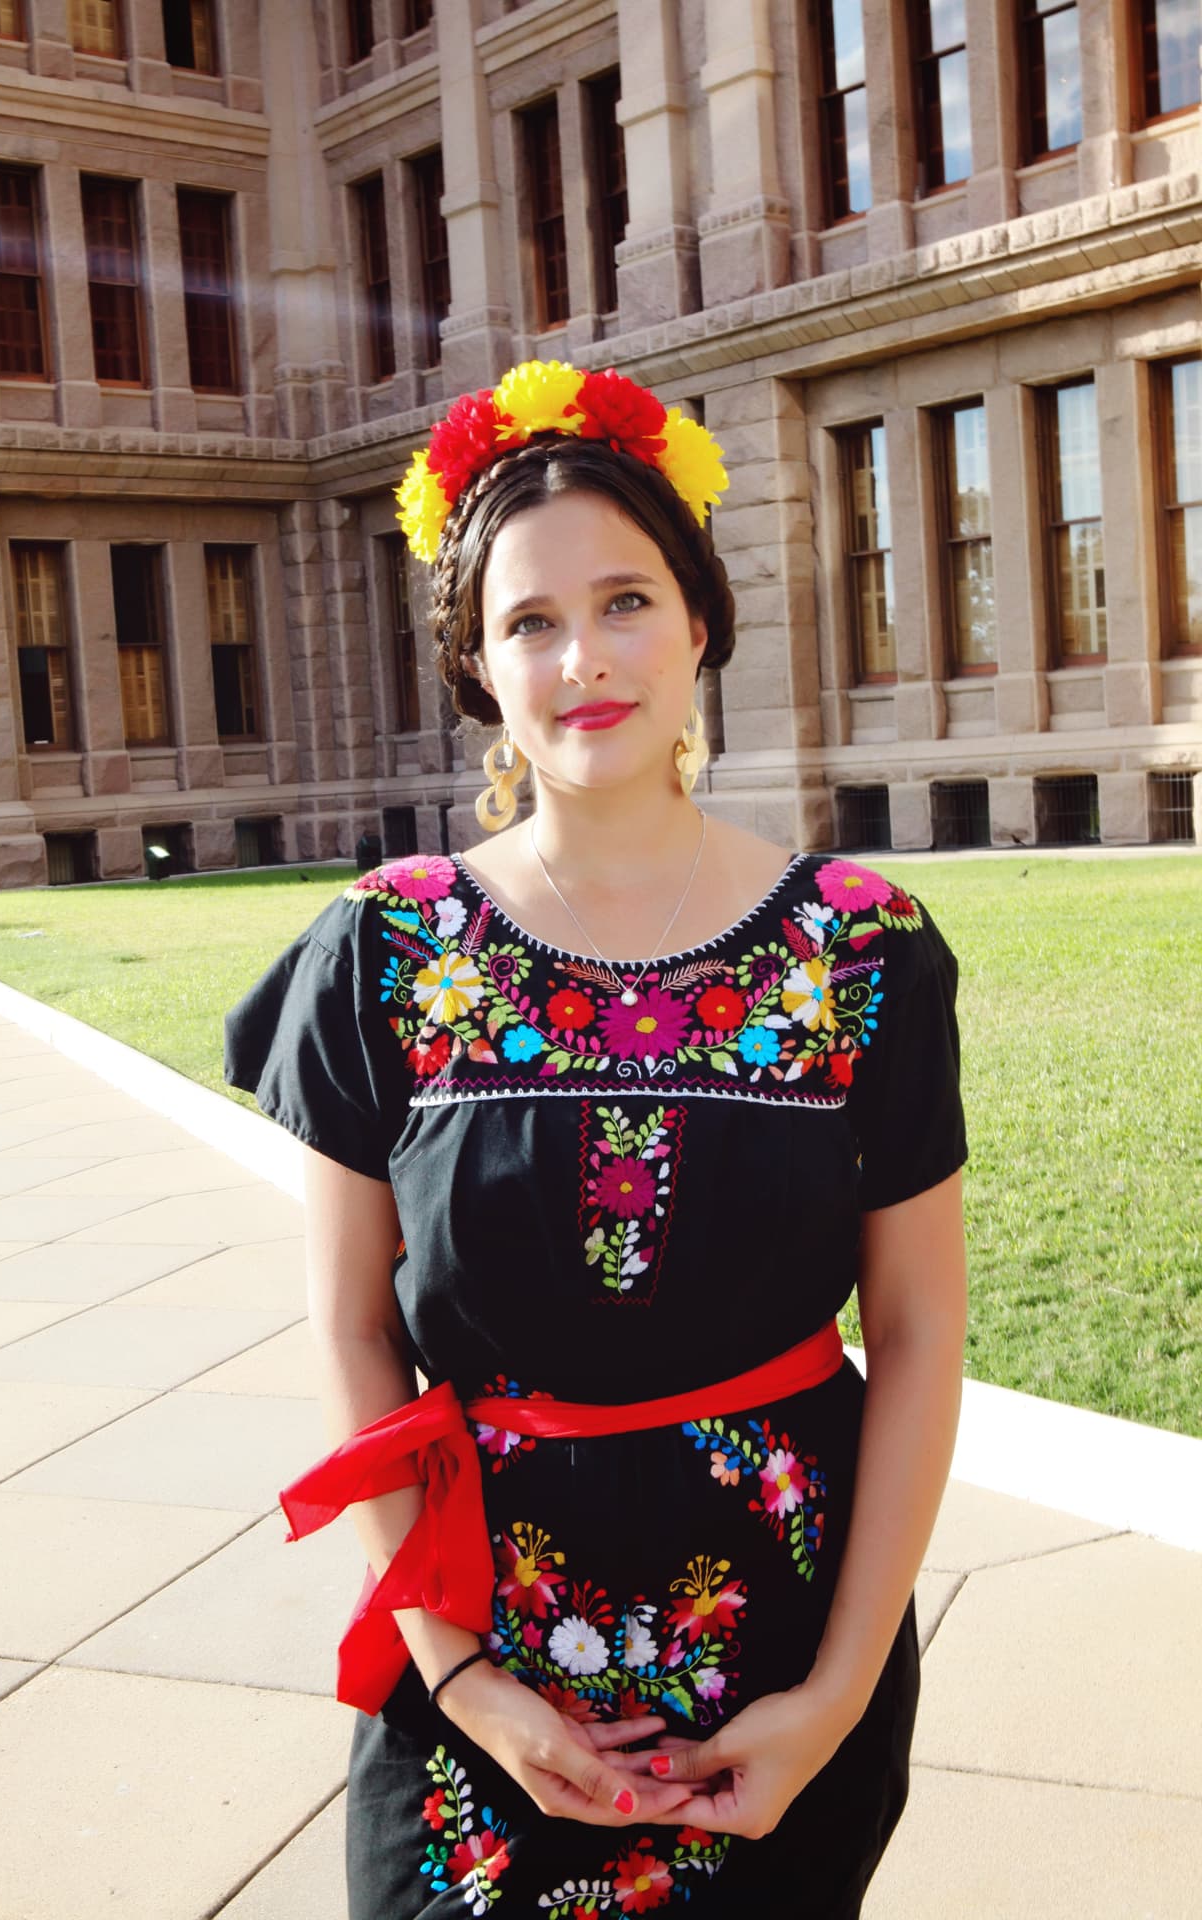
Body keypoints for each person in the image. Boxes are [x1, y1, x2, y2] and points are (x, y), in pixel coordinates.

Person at [223, 359, 969, 1918]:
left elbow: (915, 1335)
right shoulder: (386, 950)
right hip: (479, 1648)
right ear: (478, 666)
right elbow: (354, 1337)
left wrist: (830, 1701)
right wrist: (466, 1679)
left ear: (703, 622)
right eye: (530, 622)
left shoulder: (861, 947)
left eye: (626, 601)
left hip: (779, 1649)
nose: (584, 659)